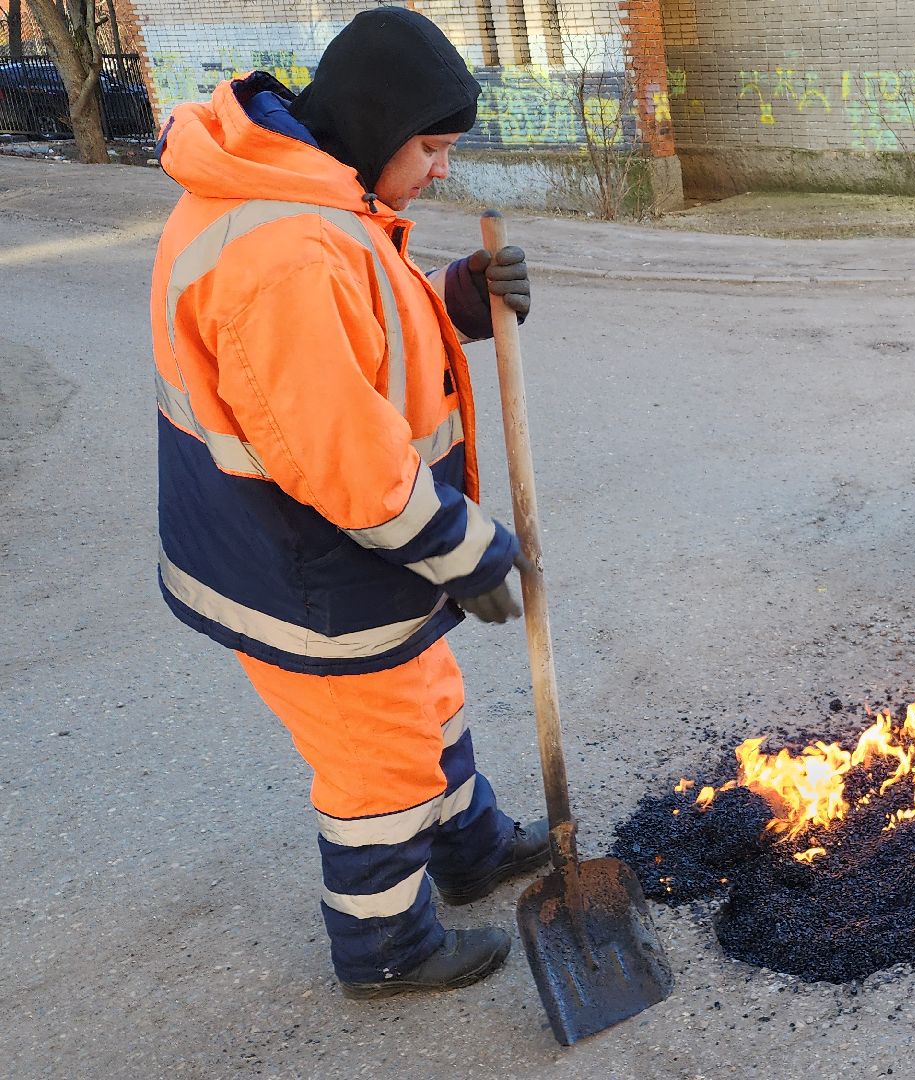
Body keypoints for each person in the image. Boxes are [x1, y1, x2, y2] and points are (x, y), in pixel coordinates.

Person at [151, 9, 552, 998]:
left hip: (337, 546)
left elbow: (360, 319)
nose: (443, 172)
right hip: (299, 563)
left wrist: (453, 300)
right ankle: (387, 950)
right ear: (377, 129)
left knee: (428, 691)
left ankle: (468, 847)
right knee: (378, 762)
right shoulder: (279, 248)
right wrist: (463, 548)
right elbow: (339, 454)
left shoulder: (310, 189)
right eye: (433, 149)